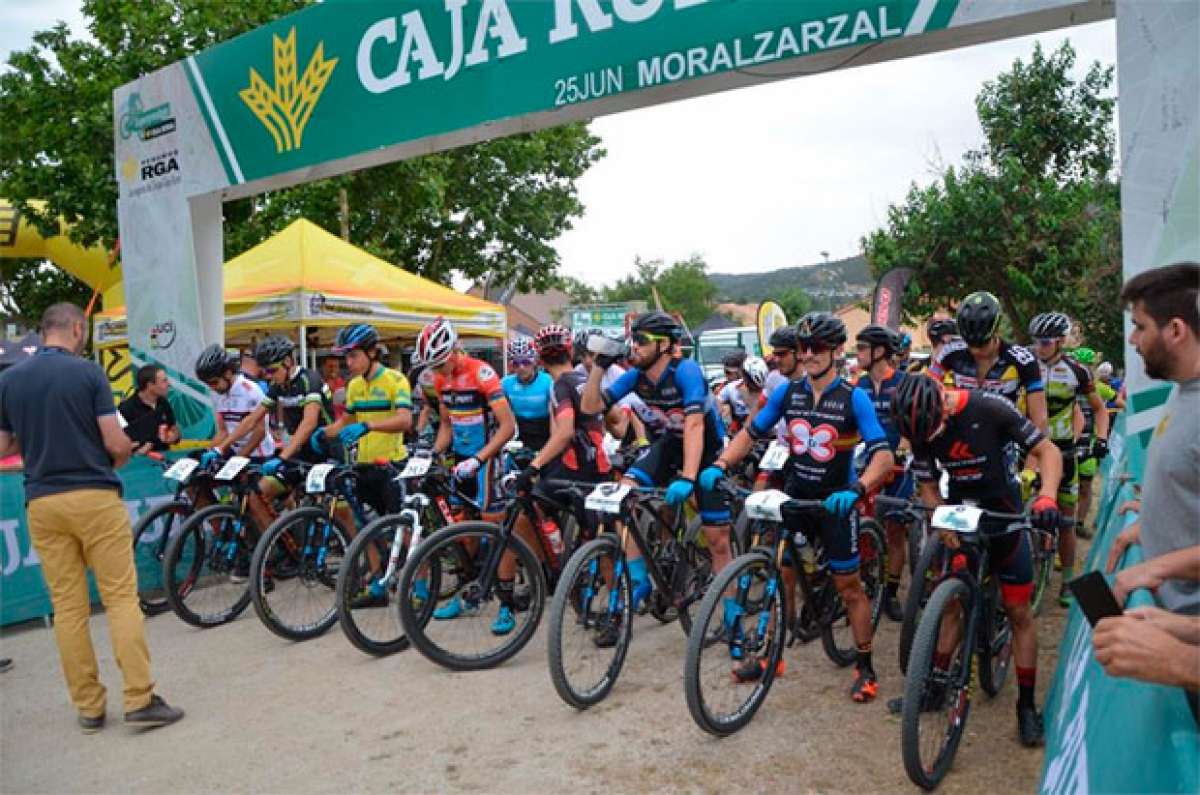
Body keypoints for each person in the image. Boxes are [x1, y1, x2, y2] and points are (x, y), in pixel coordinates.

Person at [0, 303, 183, 732]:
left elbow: (3, 444)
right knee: (119, 598)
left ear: (44, 331)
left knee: (67, 609)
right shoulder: (88, 374)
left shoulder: (8, 380)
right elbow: (115, 442)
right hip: (93, 494)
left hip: (42, 500)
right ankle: (139, 698)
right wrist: (114, 460)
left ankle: (89, 707)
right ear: (78, 329)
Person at [704, 312, 894, 697]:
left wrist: (858, 488)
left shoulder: (853, 397)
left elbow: (884, 456)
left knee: (850, 588)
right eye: (803, 348)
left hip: (835, 505)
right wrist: (722, 463)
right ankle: (773, 655)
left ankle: (865, 667)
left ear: (837, 351)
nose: (808, 355)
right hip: (794, 499)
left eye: (817, 348)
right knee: (782, 576)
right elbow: (750, 432)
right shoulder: (789, 393)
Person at [891, 374, 1062, 745]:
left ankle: (1027, 706)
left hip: (1003, 512)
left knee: (1019, 613)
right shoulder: (919, 428)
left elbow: (1048, 451)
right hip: (962, 512)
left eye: (935, 429)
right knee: (951, 604)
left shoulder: (988, 407)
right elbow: (928, 488)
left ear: (944, 403)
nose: (931, 439)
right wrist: (939, 520)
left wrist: (1047, 496)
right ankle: (936, 686)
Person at [582, 311, 733, 642]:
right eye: (633, 339)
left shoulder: (686, 371)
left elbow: (694, 425)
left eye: (643, 340)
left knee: (718, 539)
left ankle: (732, 614)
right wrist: (598, 367)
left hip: (706, 449)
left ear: (666, 345)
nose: (634, 346)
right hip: (667, 444)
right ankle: (638, 580)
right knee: (621, 499)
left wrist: (689, 477)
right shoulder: (635, 376)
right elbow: (589, 407)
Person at [1105, 262, 1200, 616]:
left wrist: (1154, 567)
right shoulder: (1182, 391)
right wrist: (1154, 521)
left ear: (1175, 330)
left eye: (1139, 327)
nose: (1132, 340)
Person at [417, 318, 520, 627]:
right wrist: (432, 453)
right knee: (464, 528)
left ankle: (507, 604)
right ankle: (469, 594)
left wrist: (479, 458)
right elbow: (447, 424)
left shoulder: (482, 373)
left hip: (490, 457)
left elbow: (508, 426)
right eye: (431, 366)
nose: (435, 371)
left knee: (496, 529)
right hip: (461, 459)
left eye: (439, 363)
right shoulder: (439, 380)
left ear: (452, 351)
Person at [316, 324, 414, 608]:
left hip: (392, 466)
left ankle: (420, 589)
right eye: (346, 357)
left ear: (372, 352)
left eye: (353, 356)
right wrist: (323, 434)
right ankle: (378, 585)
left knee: (403, 530)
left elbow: (406, 420)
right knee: (365, 528)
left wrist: (369, 425)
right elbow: (345, 423)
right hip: (363, 466)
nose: (348, 363)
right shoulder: (355, 386)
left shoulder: (396, 380)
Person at [513, 324, 611, 572]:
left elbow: (564, 432)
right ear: (570, 352)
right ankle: (607, 594)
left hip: (579, 470)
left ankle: (557, 564)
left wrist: (535, 465)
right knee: (598, 537)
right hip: (596, 465)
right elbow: (617, 421)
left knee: (532, 505)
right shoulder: (585, 380)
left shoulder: (560, 386)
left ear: (540, 359)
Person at [1028, 312, 1110, 607]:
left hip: (1063, 451)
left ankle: (1067, 581)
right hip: (1030, 448)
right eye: (1036, 341)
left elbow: (1099, 409)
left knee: (1065, 520)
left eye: (1046, 341)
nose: (1040, 346)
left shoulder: (1077, 371)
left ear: (1060, 341)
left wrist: (1100, 439)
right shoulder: (1026, 365)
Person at [854, 324, 912, 622]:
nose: (857, 352)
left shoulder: (904, 382)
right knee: (857, 521)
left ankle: (890, 592)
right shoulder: (858, 384)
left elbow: (912, 425)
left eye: (862, 348)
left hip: (899, 465)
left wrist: (903, 448)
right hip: (867, 463)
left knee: (895, 530)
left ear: (880, 352)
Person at [930, 290, 1048, 434]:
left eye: (982, 345)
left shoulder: (1023, 360)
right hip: (962, 435)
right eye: (970, 344)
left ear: (995, 332)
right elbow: (925, 390)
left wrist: (1037, 452)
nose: (976, 351)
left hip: (1004, 437)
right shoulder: (949, 353)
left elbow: (1040, 419)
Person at [194, 345, 275, 460]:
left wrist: (238, 458)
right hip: (235, 451)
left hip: (258, 454)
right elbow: (223, 432)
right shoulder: (220, 394)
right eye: (208, 384)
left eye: (214, 382)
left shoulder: (251, 390)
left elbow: (260, 431)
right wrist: (207, 451)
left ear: (227, 373)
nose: (212, 388)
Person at [501, 336, 553, 451]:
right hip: (518, 434)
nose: (521, 367)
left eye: (526, 362)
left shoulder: (548, 381)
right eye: (516, 364)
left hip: (545, 432)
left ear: (534, 362)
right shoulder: (505, 384)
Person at [118, 365, 181, 454]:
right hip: (139, 465)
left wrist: (174, 436)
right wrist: (143, 448)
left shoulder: (163, 402)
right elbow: (117, 447)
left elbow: (174, 428)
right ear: (150, 385)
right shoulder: (125, 409)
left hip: (164, 460)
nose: (169, 384)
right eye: (164, 381)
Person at [320, 355, 347, 420]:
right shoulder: (320, 383)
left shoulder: (343, 383)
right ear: (323, 367)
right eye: (330, 366)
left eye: (336, 367)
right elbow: (329, 400)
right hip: (328, 421)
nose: (333, 369)